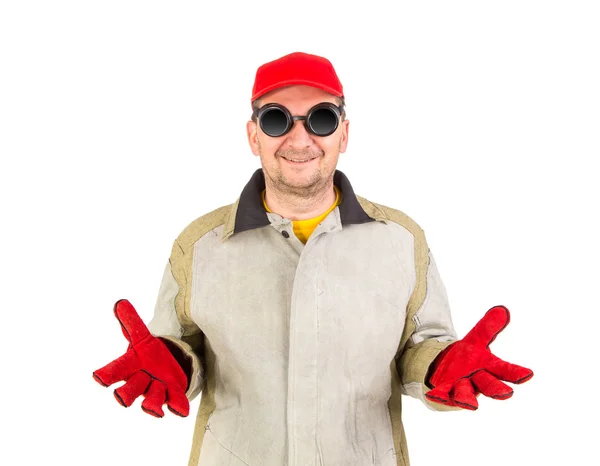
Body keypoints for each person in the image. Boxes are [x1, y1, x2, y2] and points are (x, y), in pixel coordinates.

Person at [93, 51, 534, 466]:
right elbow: (177, 352)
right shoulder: (200, 244)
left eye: (321, 119)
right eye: (276, 119)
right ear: (253, 135)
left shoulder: (400, 239)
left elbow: (419, 350)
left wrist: (439, 366)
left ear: (344, 133)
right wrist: (173, 363)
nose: (300, 138)